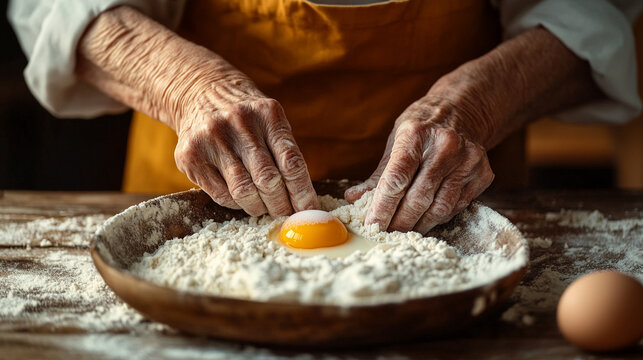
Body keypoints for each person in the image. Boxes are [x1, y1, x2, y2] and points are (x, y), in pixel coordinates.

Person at [8, 0, 642, 233]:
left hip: (454, 197)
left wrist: (472, 104)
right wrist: (186, 84)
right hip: (195, 187)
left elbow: (589, 15)